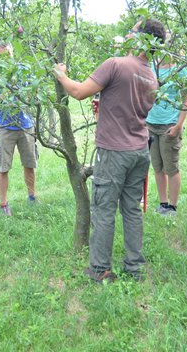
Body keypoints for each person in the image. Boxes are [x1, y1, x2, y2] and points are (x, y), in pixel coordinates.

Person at [53, 19, 160, 283]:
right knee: (132, 209)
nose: (127, 35)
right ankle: (134, 268)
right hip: (139, 150)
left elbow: (78, 92)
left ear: (142, 39)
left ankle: (100, 269)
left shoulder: (116, 64)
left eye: (132, 31)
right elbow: (131, 106)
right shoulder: (151, 76)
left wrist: (61, 74)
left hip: (114, 151)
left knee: (103, 209)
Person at [0, 41, 37, 216]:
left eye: (8, 54)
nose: (6, 59)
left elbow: (33, 91)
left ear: (12, 52)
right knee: (3, 167)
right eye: (2, 56)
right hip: (6, 127)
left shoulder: (24, 69)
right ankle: (4, 204)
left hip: (26, 125)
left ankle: (32, 197)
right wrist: (3, 96)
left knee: (29, 164)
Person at [145, 42, 187, 217]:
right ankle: (163, 203)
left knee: (171, 167)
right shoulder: (150, 68)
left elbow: (186, 99)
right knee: (157, 166)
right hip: (150, 125)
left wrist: (178, 125)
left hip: (169, 125)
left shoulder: (180, 71)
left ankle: (172, 206)